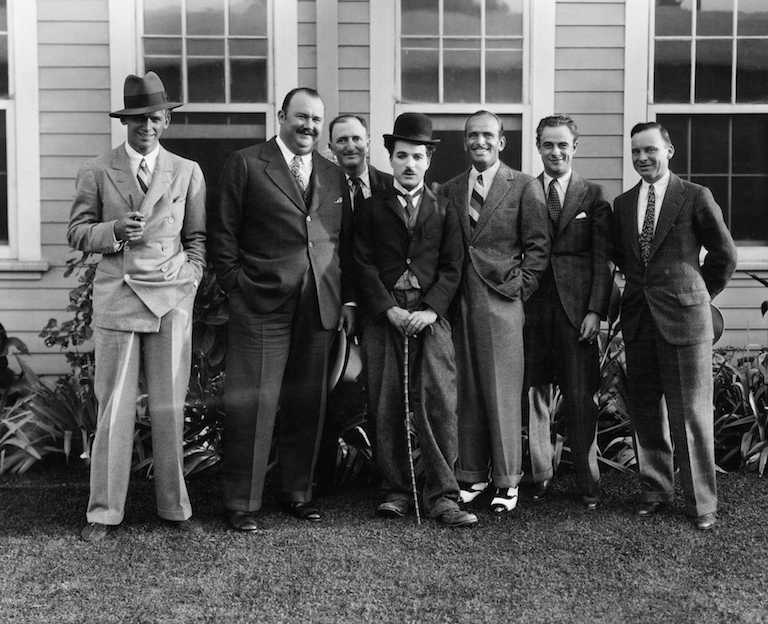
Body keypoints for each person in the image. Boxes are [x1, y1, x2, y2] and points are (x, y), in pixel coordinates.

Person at [67, 71, 206, 541]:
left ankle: (175, 509)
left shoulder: (186, 171)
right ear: (124, 122)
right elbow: (76, 232)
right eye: (136, 119)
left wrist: (192, 278)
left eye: (154, 117)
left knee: (169, 406)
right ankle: (104, 512)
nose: (146, 126)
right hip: (118, 297)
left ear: (166, 120)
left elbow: (197, 238)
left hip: (170, 298)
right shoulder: (98, 169)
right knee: (115, 410)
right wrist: (112, 233)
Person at [209, 87, 355, 532]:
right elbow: (223, 235)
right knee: (252, 404)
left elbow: (342, 241)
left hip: (318, 305)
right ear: (281, 117)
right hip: (261, 304)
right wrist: (239, 285)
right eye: (301, 117)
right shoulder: (248, 164)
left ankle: (297, 492)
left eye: (316, 119)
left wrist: (344, 298)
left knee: (307, 402)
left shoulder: (332, 175)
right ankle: (241, 502)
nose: (309, 126)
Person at [611, 121, 737, 531]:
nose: (643, 158)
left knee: (691, 414)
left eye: (650, 150)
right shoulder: (624, 203)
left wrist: (699, 295)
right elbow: (624, 258)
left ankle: (701, 503)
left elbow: (724, 255)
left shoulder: (695, 197)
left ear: (669, 151)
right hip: (640, 318)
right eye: (636, 153)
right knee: (646, 410)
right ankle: (655, 489)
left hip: (685, 317)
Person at [353, 112, 476, 527]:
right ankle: (396, 491)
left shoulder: (445, 209)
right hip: (385, 315)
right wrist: (387, 308)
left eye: (417, 156)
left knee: (438, 402)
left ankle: (443, 495)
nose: (409, 163)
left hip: (430, 316)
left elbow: (453, 266)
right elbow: (361, 263)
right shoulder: (370, 209)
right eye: (401, 155)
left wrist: (429, 310)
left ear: (429, 161)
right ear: (390, 158)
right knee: (386, 401)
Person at [438, 110, 550, 515]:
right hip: (458, 298)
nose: (479, 141)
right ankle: (472, 474)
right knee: (466, 388)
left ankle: (506, 482)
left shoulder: (522, 186)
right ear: (464, 142)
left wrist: (520, 287)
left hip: (501, 299)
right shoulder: (450, 188)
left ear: (502, 141)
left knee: (502, 390)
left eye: (487, 135)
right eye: (472, 135)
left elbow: (538, 246)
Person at [524, 115, 614, 509]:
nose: (555, 152)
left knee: (580, 397)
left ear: (574, 147)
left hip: (577, 312)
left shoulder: (593, 195)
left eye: (563, 145)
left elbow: (603, 260)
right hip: (532, 309)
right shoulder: (525, 192)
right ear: (538, 146)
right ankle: (540, 474)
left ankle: (587, 482)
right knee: (534, 392)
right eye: (548, 145)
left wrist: (595, 310)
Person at [328, 114, 392, 214]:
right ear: (331, 148)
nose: (350, 147)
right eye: (342, 140)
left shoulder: (390, 186)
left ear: (367, 145)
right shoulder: (322, 190)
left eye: (356, 139)